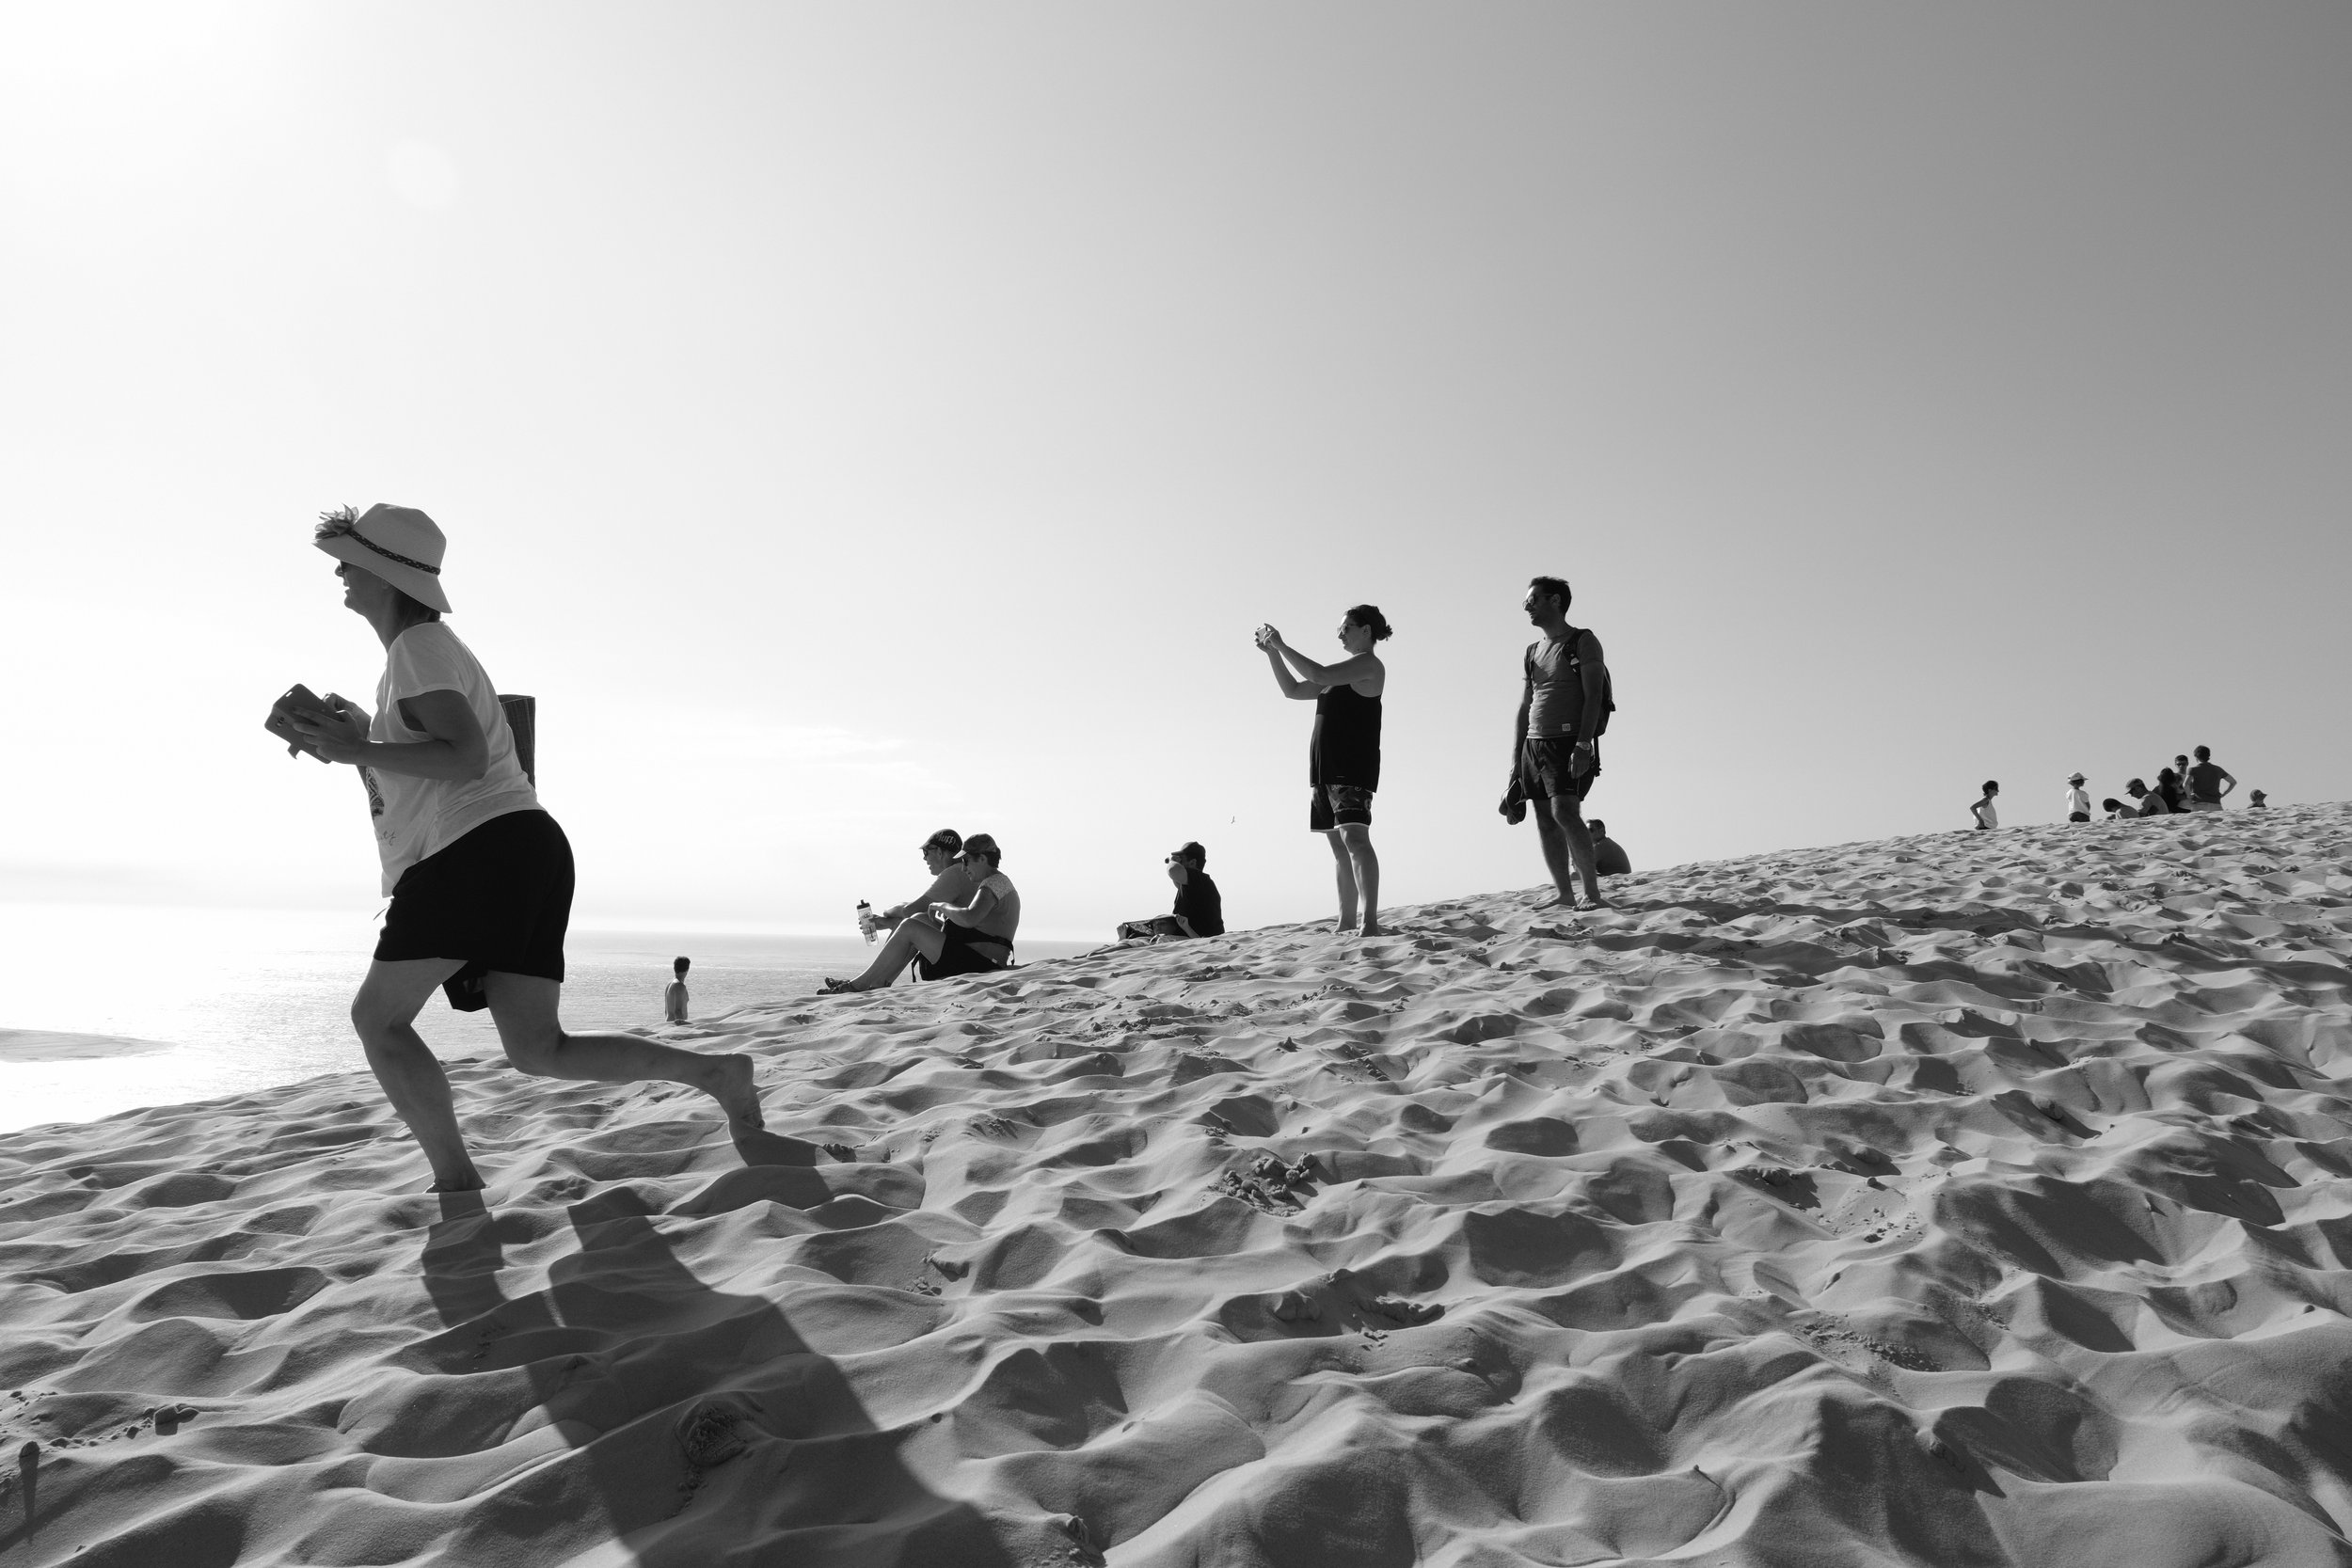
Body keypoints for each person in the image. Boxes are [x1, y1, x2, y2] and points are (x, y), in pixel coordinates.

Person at [281, 505, 763, 1193]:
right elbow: (439, 763)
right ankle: (716, 1072)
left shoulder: (416, 650)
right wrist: (358, 738)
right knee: (540, 1049)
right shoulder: (426, 653)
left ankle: (455, 1180)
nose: (338, 571)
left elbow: (467, 756)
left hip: (478, 853)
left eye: (347, 559)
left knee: (377, 1019)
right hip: (524, 844)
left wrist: (357, 745)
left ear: (385, 574)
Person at [1257, 607, 1390, 936]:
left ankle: (1369, 922)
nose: (1340, 634)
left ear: (1366, 631)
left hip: (1351, 765)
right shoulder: (1341, 676)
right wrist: (1272, 654)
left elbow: (1317, 674)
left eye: (1346, 628)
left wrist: (1283, 645)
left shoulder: (1368, 665)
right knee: (1338, 846)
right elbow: (1293, 690)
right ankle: (1346, 922)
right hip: (1324, 768)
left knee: (1355, 840)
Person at [1502, 577, 1612, 911]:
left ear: (1555, 601)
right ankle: (1564, 892)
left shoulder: (1583, 641)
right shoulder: (1532, 651)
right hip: (1534, 745)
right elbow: (1525, 706)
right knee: (1545, 819)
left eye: (1532, 600)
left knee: (1565, 811)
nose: (1527, 607)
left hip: (1568, 740)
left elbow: (1594, 695)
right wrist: (1515, 761)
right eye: (1526, 602)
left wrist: (1583, 744)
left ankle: (1590, 892)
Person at [824, 834, 1018, 991]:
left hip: (981, 966)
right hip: (978, 960)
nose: (963, 868)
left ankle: (857, 985)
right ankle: (877, 984)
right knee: (918, 920)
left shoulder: (992, 884)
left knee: (910, 926)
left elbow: (969, 918)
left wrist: (942, 906)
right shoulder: (997, 883)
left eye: (966, 861)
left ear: (982, 859)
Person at [864, 829, 977, 974]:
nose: (924, 859)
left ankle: (870, 981)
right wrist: (889, 923)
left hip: (967, 956)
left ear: (939, 852)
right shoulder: (965, 872)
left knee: (912, 922)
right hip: (970, 948)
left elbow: (909, 910)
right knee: (918, 920)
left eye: (926, 852)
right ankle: (879, 981)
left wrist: (886, 914)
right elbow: (920, 912)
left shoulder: (954, 873)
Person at [1117, 841, 1224, 942]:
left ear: (1192, 862)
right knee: (1135, 937)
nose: (1179, 862)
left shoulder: (1200, 879)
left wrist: (1172, 862)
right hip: (1193, 937)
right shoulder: (1193, 887)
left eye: (1181, 859)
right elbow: (1176, 879)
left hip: (1203, 940)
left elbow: (1173, 871)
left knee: (1156, 940)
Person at [2186, 745, 2235, 811]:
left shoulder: (2193, 770)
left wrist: (2189, 796)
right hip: (2216, 803)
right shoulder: (2218, 769)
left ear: (2196, 757)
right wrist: (2224, 793)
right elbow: (2233, 782)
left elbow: (2186, 784)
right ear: (2208, 756)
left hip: (2199, 803)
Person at [663, 957, 690, 1023]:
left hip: (668, 1024)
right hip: (675, 1026)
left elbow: (667, 1011)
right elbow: (678, 1011)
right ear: (687, 969)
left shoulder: (670, 984)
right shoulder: (679, 986)